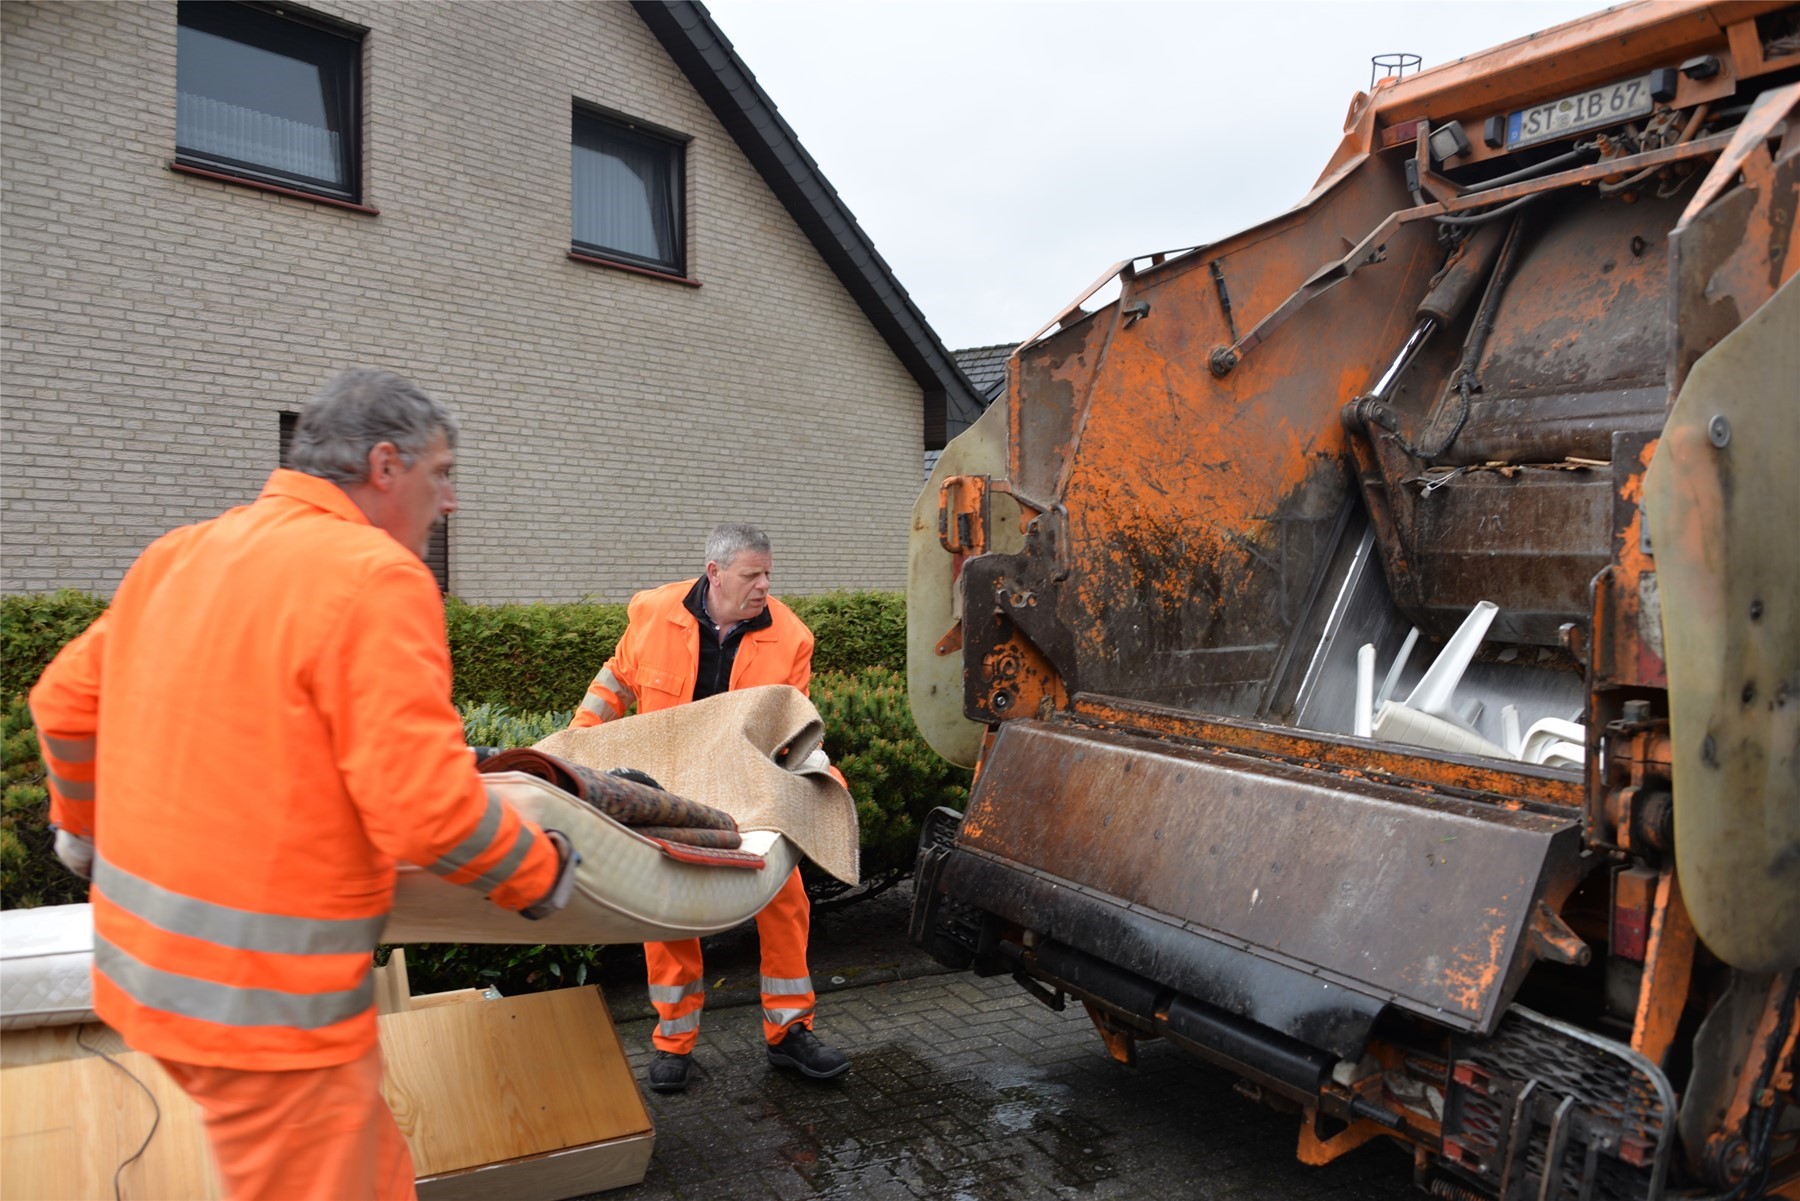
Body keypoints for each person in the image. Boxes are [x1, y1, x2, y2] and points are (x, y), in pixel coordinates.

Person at [29, 369, 579, 1201]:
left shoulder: (183, 553)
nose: (450, 500)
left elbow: (65, 704)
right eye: (442, 473)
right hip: (267, 1009)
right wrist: (541, 871)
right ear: (386, 466)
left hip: (149, 977)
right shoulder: (374, 577)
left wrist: (83, 830)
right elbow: (425, 809)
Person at [572, 523, 850, 1093]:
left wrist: (809, 775)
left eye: (768, 574)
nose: (764, 585)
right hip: (666, 789)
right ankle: (673, 1042)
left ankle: (790, 1033)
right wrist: (577, 746)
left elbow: (792, 723)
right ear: (715, 573)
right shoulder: (653, 613)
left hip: (745, 786)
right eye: (752, 575)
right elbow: (615, 681)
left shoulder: (791, 638)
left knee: (783, 898)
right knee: (667, 905)